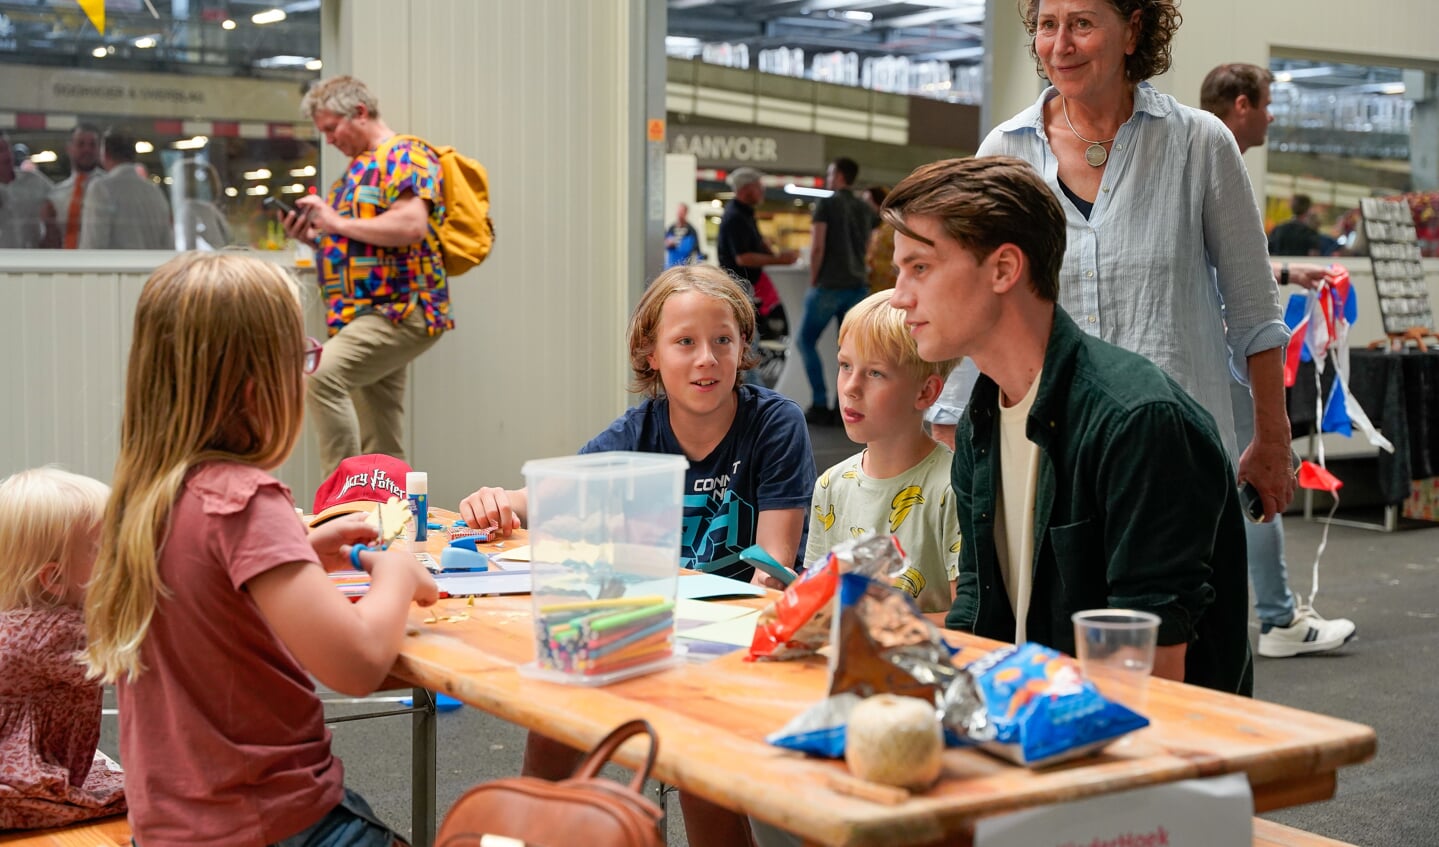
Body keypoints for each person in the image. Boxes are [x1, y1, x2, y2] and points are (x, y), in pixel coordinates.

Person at [82, 252, 439, 847]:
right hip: (274, 823)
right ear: (254, 390)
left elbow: (208, 587)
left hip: (174, 828)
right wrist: (399, 571)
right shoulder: (245, 499)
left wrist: (298, 546)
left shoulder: (145, 499)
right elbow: (356, 665)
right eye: (301, 360)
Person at [459, 263, 814, 847]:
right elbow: (547, 496)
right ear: (650, 354)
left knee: (696, 760)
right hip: (652, 636)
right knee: (555, 717)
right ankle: (528, 835)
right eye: (685, 343)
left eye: (723, 340)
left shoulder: (775, 424)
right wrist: (501, 500)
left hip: (739, 646)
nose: (707, 358)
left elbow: (772, 570)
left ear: (743, 346)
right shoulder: (635, 432)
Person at [886, 155, 1252, 696]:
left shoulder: (1138, 423)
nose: (899, 296)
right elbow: (979, 610)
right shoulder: (981, 421)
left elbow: (1148, 672)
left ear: (1004, 270)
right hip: (1026, 721)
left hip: (1146, 755)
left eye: (920, 268)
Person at [976, 0, 1295, 527]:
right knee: (1054, 609)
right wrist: (950, 429)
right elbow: (980, 309)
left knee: (1175, 607)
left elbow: (1254, 310)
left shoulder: (1199, 143)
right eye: (1047, 25)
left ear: (1133, 31)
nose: (1061, 45)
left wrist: (1273, 438)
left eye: (1082, 24)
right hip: (1049, 452)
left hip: (1176, 450)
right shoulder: (1006, 153)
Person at [1202, 61, 1357, 658]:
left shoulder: (1199, 155)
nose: (1270, 115)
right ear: (1241, 105)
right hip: (1221, 347)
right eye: (1266, 104)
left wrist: (1288, 271)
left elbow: (1223, 261)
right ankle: (1279, 619)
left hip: (1204, 343)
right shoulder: (1211, 154)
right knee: (1262, 470)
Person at [280, 75, 452, 475]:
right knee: (382, 435)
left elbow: (411, 226)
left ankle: (342, 503)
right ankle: (391, 522)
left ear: (359, 112)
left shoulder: (405, 154)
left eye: (330, 129)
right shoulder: (356, 173)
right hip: (363, 315)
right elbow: (358, 241)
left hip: (400, 311)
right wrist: (314, 238)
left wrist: (334, 222)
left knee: (320, 377)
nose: (329, 140)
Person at [804, 289, 960, 613]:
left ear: (926, 391)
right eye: (845, 366)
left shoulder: (953, 488)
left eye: (875, 373)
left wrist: (877, 625)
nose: (850, 387)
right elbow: (817, 599)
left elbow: (970, 623)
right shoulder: (830, 486)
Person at [0, 468, 126, 830]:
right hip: (18, 779)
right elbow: (139, 653)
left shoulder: (38, 619)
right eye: (110, 551)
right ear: (54, 579)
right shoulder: (55, 635)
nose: (123, 560)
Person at [799, 157, 876, 424]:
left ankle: (820, 403)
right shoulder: (865, 209)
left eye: (831, 172)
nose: (828, 177)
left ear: (840, 176)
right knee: (851, 350)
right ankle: (847, 404)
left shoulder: (827, 203)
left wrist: (813, 278)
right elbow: (868, 246)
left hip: (829, 285)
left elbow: (817, 245)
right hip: (856, 286)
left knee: (805, 341)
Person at [78, 129, 174, 251]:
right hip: (152, 268)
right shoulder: (155, 192)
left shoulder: (101, 189)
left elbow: (93, 244)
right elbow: (168, 244)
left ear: (104, 155)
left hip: (115, 268)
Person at [39, 124, 102, 249]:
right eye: (81, 144)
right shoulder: (55, 195)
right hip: (65, 263)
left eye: (92, 145)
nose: (87, 150)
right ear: (69, 149)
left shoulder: (109, 189)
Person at [0, 132, 54, 249]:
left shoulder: (34, 180)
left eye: (7, 148)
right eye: (0, 150)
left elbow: (60, 199)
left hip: (33, 260)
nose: (6, 155)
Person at [862, 185, 897, 293]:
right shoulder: (877, 228)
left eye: (868, 202)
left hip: (887, 289)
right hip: (873, 287)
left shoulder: (893, 229)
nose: (864, 207)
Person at [664, 201, 705, 267]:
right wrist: (668, 244)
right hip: (670, 266)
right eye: (678, 211)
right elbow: (665, 243)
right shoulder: (671, 229)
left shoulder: (691, 230)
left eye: (681, 212)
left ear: (686, 213)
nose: (679, 214)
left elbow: (697, 250)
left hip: (685, 267)